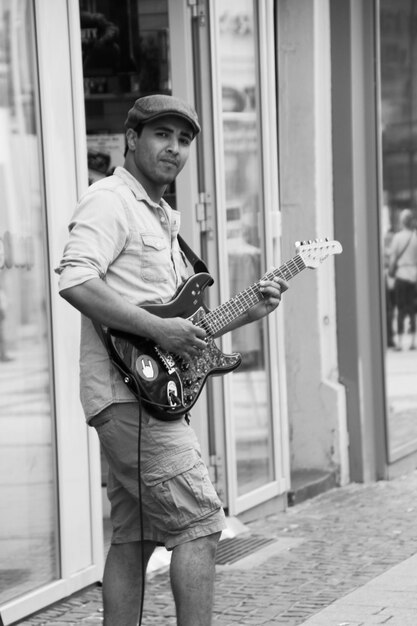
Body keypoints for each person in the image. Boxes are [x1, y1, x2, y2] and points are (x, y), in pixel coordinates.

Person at [55, 94, 287, 626]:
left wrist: (247, 313)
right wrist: (160, 328)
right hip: (128, 398)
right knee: (202, 525)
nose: (175, 148)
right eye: (162, 134)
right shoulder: (109, 201)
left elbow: (178, 332)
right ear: (132, 139)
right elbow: (76, 280)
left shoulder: (162, 219)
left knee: (133, 539)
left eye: (184, 140)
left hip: (138, 397)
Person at [388, 208, 417, 350]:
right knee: (412, 308)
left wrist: (391, 272)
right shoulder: (415, 237)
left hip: (401, 275)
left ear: (402, 221)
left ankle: (399, 342)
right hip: (413, 276)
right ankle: (412, 341)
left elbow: (393, 259)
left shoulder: (397, 238)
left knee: (400, 308)